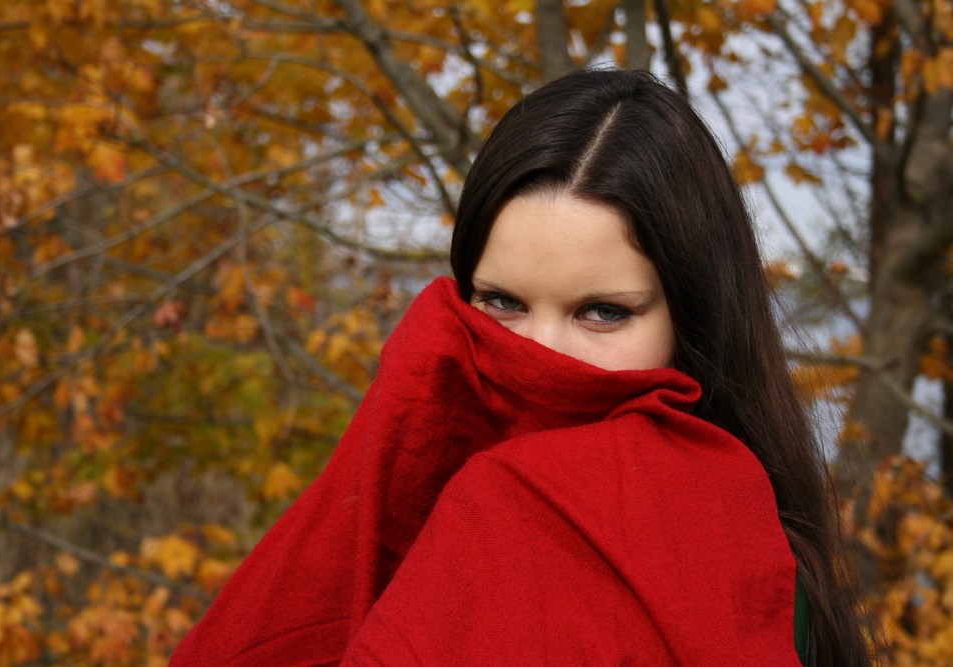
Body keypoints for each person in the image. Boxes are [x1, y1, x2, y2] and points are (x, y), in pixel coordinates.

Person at [171, 69, 870, 666]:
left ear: (693, 318)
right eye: (502, 301)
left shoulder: (766, 570)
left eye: (602, 312)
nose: (540, 354)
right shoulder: (397, 474)